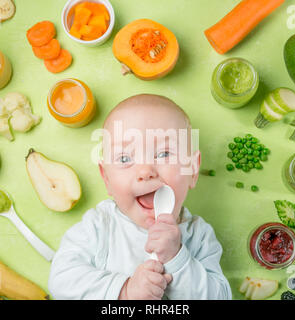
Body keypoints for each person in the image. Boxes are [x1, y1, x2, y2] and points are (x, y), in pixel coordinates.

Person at [48, 94, 231, 300]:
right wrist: (124, 290)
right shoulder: (100, 226)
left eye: (163, 154)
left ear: (193, 169)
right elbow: (60, 280)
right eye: (125, 158)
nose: (145, 171)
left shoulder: (198, 236)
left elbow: (220, 297)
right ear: (106, 178)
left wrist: (176, 257)